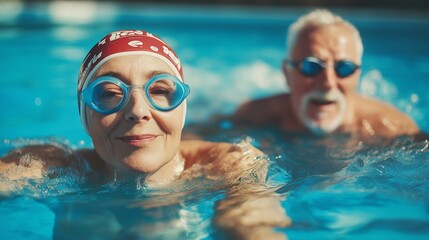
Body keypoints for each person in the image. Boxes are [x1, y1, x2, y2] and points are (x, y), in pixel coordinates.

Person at [0, 30, 289, 238]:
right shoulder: (52, 167)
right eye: (111, 94)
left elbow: (252, 224)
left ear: (182, 110)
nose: (138, 111)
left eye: (160, 91)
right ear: (84, 115)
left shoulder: (228, 165)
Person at [233, 9, 419, 138]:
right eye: (311, 66)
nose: (328, 82)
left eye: (344, 68)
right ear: (286, 73)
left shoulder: (392, 127)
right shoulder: (253, 116)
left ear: (358, 75)